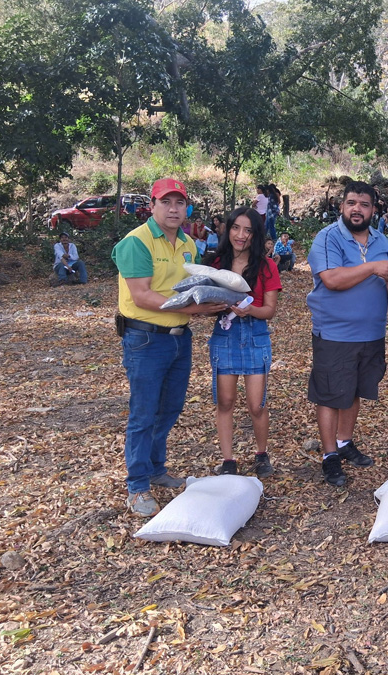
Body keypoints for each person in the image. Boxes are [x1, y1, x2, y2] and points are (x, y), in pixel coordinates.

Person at [111, 178, 228, 517]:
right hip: (145, 339)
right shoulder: (137, 242)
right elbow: (141, 296)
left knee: (170, 408)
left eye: (180, 203)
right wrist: (194, 309)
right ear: (152, 205)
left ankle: (156, 468)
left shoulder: (189, 243)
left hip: (179, 337)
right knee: (144, 412)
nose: (174, 209)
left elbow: (193, 286)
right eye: (166, 202)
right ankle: (137, 486)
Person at [306, 181, 388, 487]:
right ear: (342, 206)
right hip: (335, 333)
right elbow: (332, 279)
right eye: (351, 203)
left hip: (371, 333)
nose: (357, 209)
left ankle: (345, 442)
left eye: (364, 204)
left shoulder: (381, 241)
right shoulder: (328, 237)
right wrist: (373, 267)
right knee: (330, 394)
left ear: (374, 210)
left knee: (354, 391)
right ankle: (329, 454)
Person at [205, 208, 281, 478]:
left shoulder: (266, 266)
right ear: (228, 229)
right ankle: (228, 460)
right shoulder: (216, 264)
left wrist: (250, 310)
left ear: (255, 235)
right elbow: (205, 305)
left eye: (248, 230)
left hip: (255, 335)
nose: (241, 235)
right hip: (225, 335)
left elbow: (269, 310)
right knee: (225, 401)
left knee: (256, 404)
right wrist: (215, 306)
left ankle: (261, 454)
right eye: (236, 228)